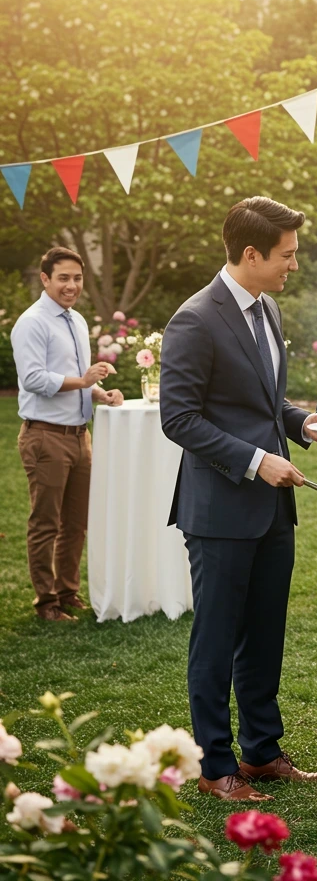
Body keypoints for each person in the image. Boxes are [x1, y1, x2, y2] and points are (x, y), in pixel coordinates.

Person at [160, 196, 317, 801]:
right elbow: (179, 419)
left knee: (265, 636)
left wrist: (304, 422)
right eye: (286, 255)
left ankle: (262, 753)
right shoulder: (194, 319)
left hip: (272, 511)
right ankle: (216, 767)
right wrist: (257, 460)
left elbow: (262, 403)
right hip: (219, 510)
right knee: (216, 641)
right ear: (250, 254)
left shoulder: (268, 307)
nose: (294, 264)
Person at [11, 246, 123, 622]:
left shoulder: (75, 321)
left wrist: (100, 394)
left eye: (77, 278)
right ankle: (46, 603)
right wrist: (84, 380)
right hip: (45, 438)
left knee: (76, 523)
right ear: (45, 279)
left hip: (79, 436)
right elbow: (34, 379)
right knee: (46, 523)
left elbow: (76, 378)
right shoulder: (32, 322)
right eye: (63, 278)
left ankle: (67, 592)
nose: (71, 285)